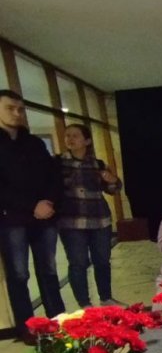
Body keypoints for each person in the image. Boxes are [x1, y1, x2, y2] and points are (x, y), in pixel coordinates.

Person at [0, 89, 65, 337]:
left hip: (45, 217)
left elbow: (53, 175)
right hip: (12, 219)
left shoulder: (34, 143)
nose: (17, 113)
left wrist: (49, 202)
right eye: (10, 108)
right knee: (18, 274)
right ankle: (27, 328)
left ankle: (58, 321)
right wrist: (31, 206)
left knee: (49, 270)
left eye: (20, 109)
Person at [57, 123, 122, 308]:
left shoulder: (97, 164)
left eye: (75, 135)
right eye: (68, 135)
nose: (70, 139)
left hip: (99, 219)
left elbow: (114, 189)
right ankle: (84, 304)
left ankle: (106, 298)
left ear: (86, 141)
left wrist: (112, 180)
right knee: (78, 263)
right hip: (71, 221)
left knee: (102, 260)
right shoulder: (58, 163)